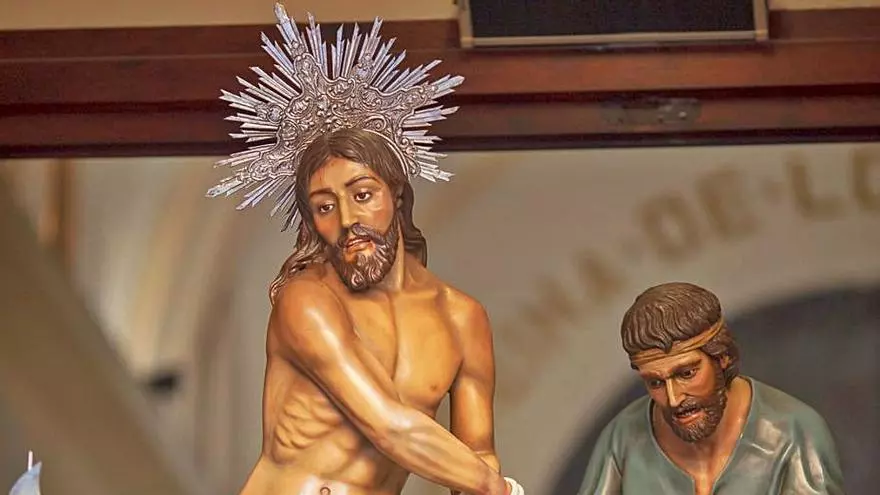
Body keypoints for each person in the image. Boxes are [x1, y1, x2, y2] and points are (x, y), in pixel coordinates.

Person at [206, 4, 523, 495]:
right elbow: (390, 427)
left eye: (362, 195)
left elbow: (478, 453)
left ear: (395, 193)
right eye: (324, 206)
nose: (347, 220)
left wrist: (488, 484)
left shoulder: (463, 319)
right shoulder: (307, 301)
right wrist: (502, 489)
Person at [578, 282, 845, 495]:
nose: (673, 399)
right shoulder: (623, 438)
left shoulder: (793, 432)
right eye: (655, 382)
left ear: (722, 357)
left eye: (686, 373)